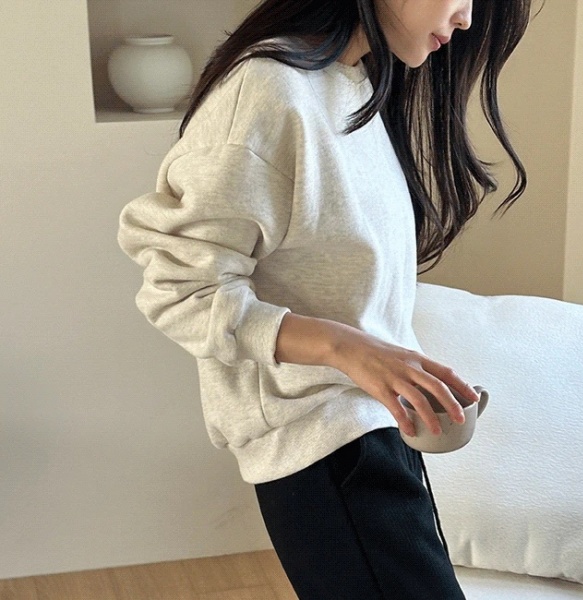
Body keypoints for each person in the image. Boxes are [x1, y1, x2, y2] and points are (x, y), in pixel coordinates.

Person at [117, 0, 541, 597]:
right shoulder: (267, 92)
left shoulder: (350, 83)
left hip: (373, 434)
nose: (468, 17)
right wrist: (347, 350)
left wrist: (393, 365)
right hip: (325, 455)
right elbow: (181, 289)